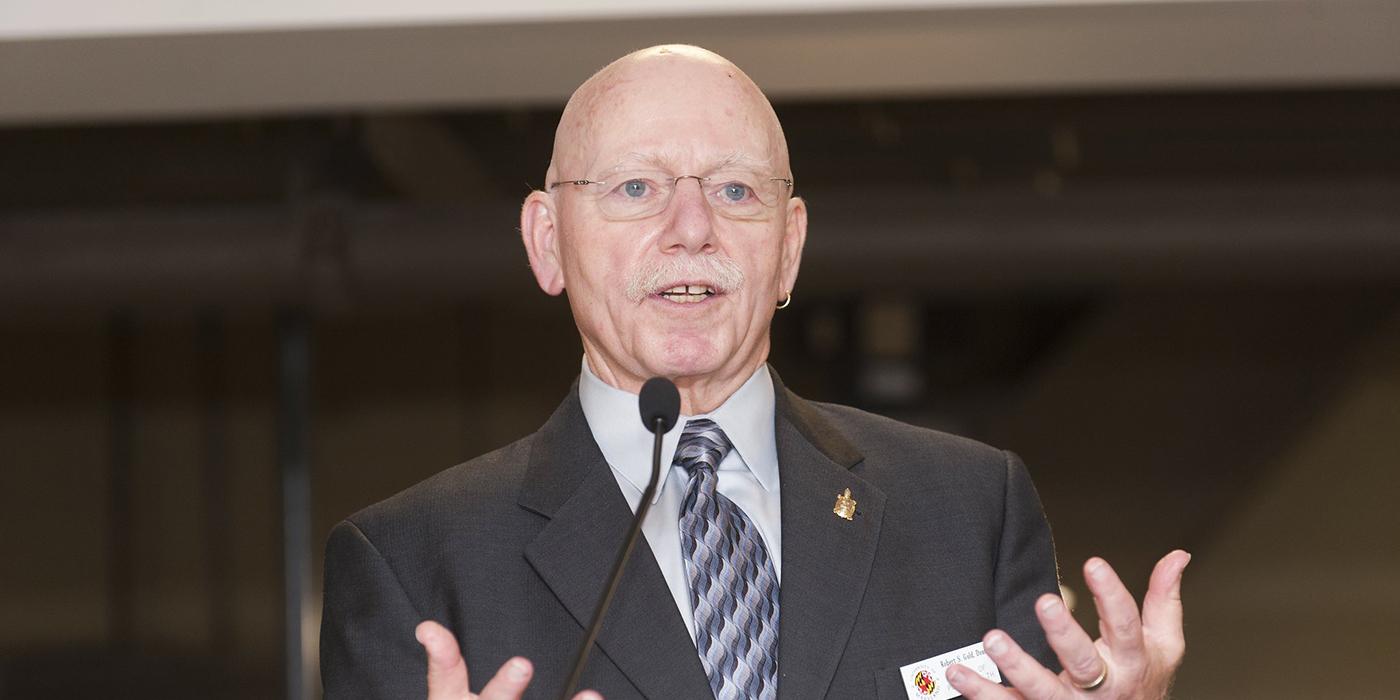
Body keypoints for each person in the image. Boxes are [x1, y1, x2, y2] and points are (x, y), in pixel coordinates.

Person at [320, 45, 1189, 700]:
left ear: (790, 250)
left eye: (736, 191)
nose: (691, 226)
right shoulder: (413, 563)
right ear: (547, 241)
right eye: (635, 188)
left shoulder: (968, 509)